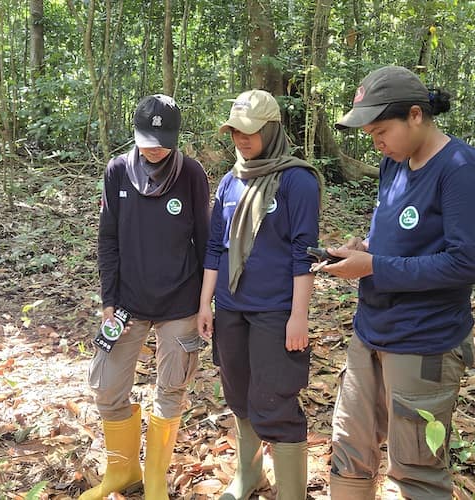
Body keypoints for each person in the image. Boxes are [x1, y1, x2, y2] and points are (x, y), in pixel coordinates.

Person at [325, 65, 475, 499]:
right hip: (371, 330)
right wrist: (362, 247)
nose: (376, 141)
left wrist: (374, 265)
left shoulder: (460, 168)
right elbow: (393, 232)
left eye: (382, 130)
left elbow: (464, 263)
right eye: (371, 134)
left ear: (416, 115)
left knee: (415, 468)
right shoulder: (392, 164)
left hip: (423, 339)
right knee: (349, 448)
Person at [80, 94, 210, 500]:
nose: (152, 146)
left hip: (180, 302)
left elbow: (207, 245)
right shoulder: (117, 170)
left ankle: (155, 480)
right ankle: (123, 472)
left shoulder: (191, 174)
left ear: (175, 137)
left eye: (161, 139)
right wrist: (108, 302)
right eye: (144, 138)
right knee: (107, 388)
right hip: (127, 304)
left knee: (171, 387)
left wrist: (208, 304)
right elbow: (108, 240)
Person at [197, 89, 323, 500]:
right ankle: (250, 475)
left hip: (275, 310)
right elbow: (216, 247)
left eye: (250, 132)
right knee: (239, 394)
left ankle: (292, 492)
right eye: (235, 132)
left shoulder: (296, 180)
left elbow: (302, 253)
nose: (242, 140)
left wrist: (298, 316)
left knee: (276, 401)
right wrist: (206, 305)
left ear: (271, 130)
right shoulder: (231, 181)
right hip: (231, 309)